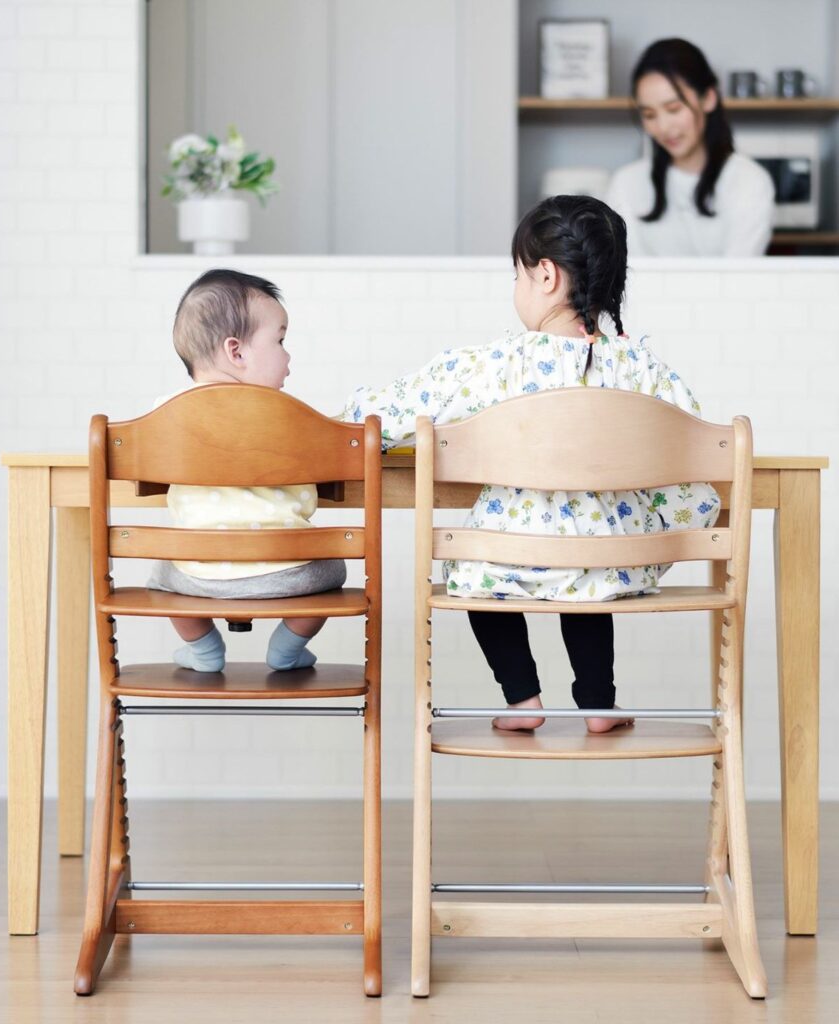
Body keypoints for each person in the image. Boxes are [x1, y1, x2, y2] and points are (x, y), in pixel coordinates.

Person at [342, 195, 720, 733]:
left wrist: (347, 419)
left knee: (471, 579)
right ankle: (597, 704)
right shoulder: (642, 368)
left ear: (545, 275)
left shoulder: (494, 365)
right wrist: (673, 522)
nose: (516, 289)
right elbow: (700, 449)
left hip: (506, 555)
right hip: (609, 559)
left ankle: (522, 699)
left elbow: (385, 413)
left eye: (517, 275)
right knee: (590, 583)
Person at [147, 269, 346, 673]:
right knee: (335, 569)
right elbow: (338, 453)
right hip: (288, 573)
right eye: (281, 340)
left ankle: (203, 650)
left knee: (158, 578)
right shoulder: (293, 417)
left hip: (196, 575)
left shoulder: (163, 418)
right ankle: (287, 647)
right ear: (236, 352)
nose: (288, 355)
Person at [606, 38, 774, 257]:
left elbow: (736, 281)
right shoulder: (626, 184)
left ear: (709, 99)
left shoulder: (749, 181)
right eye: (649, 115)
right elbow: (623, 277)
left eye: (674, 109)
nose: (664, 127)